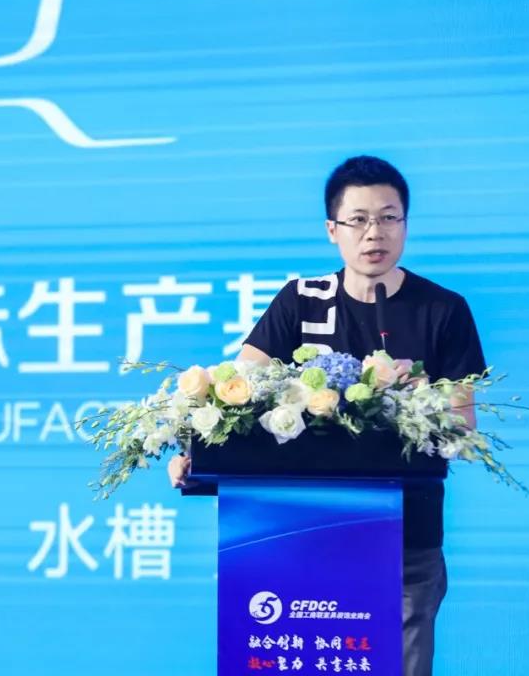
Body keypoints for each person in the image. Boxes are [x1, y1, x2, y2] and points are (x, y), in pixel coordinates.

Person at [168, 155, 486, 676]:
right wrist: (192, 451)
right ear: (332, 230)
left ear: (406, 224)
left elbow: (462, 426)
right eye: (358, 219)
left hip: (405, 539)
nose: (374, 233)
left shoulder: (443, 310)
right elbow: (233, 393)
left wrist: (417, 394)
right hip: (300, 532)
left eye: (389, 217)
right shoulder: (301, 301)